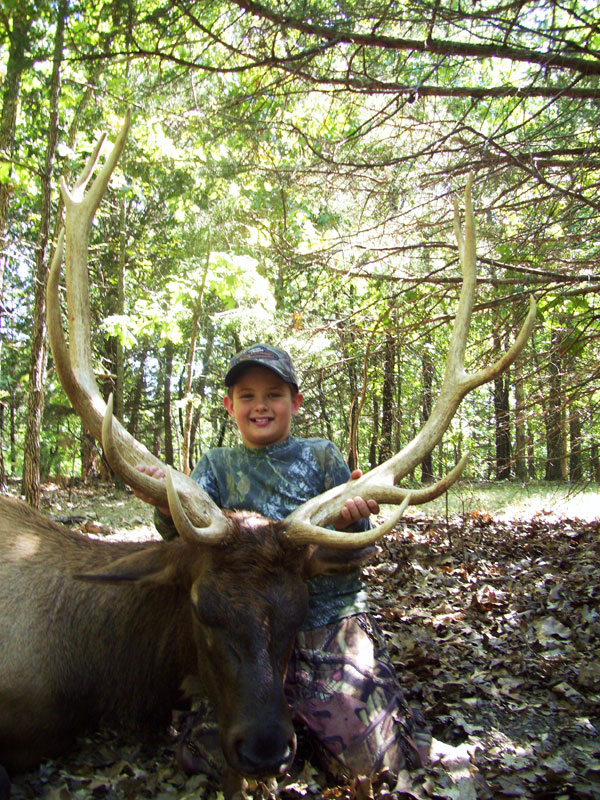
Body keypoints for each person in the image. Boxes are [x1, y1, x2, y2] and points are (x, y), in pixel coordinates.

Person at [136, 343, 430, 787]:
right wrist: (165, 503)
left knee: (374, 766)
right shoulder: (216, 466)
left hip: (325, 620)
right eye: (247, 395)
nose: (260, 405)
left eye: (273, 394)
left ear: (294, 402)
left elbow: (351, 546)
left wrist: (356, 516)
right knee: (209, 761)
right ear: (229, 405)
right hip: (243, 634)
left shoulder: (322, 456)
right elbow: (183, 538)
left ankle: (343, 715)